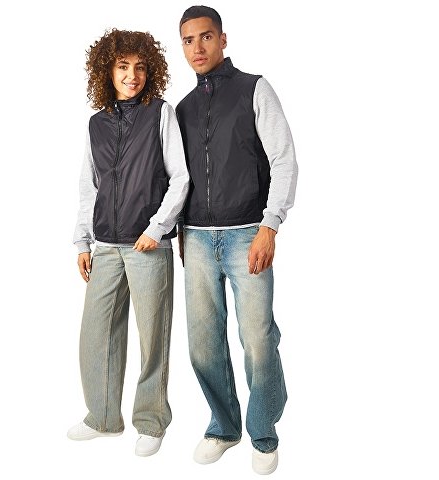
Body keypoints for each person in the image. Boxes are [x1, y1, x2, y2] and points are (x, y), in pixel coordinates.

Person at [175, 6, 298, 475]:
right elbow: (178, 179)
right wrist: (179, 232)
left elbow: (283, 159)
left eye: (206, 37)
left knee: (258, 339)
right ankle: (223, 427)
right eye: (189, 40)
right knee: (203, 345)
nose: (198, 47)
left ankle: (263, 431)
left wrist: (270, 224)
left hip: (248, 232)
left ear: (223, 39)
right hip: (196, 238)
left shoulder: (254, 89)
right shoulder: (182, 109)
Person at [67, 29, 189, 458]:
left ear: (149, 70)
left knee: (153, 338)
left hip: (147, 245)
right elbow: (90, 186)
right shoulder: (96, 124)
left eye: (139, 67)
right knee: (96, 334)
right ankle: (102, 417)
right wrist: (82, 241)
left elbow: (180, 177)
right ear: (108, 70)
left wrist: (157, 228)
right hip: (105, 244)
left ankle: (151, 422)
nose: (132, 76)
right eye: (123, 67)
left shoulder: (161, 113)